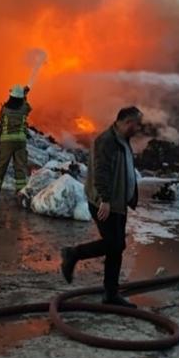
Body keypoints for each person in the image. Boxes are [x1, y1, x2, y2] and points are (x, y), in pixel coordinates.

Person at [59, 106, 143, 307]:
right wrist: (104, 199)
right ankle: (73, 253)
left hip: (118, 203)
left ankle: (111, 294)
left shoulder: (122, 139)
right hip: (105, 203)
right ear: (126, 122)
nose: (139, 128)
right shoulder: (107, 141)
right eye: (137, 124)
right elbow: (101, 172)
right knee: (114, 244)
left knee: (117, 247)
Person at [0, 85, 31, 199]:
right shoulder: (24, 108)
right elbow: (27, 108)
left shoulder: (5, 109)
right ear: (21, 98)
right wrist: (25, 95)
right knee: (20, 167)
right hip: (20, 142)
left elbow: (1, 119)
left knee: (1, 167)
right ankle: (21, 193)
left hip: (7, 141)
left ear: (10, 96)